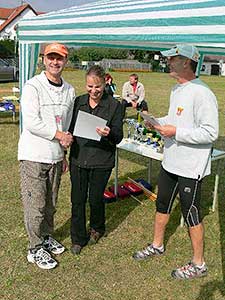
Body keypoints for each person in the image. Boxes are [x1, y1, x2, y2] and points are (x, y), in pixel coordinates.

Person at [132, 44, 219, 280]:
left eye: (173, 58)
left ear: (187, 62)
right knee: (162, 204)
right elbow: (173, 120)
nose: (168, 62)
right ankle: (157, 245)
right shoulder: (176, 89)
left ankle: (199, 264)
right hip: (170, 161)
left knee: (191, 213)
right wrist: (156, 122)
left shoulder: (203, 93)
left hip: (191, 166)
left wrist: (176, 132)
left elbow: (210, 133)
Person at [18, 43, 75, 270]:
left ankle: (46, 236)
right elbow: (32, 122)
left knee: (50, 203)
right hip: (33, 154)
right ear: (43, 59)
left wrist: (63, 154)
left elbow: (67, 122)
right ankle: (34, 248)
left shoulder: (69, 90)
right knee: (36, 204)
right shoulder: (33, 86)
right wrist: (60, 135)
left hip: (54, 155)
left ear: (65, 61)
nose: (55, 62)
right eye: (51, 57)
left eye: (59, 58)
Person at [69, 65, 123, 255]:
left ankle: (97, 228)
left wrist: (109, 133)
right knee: (77, 199)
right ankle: (77, 237)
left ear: (105, 83)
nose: (94, 91)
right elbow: (70, 127)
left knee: (94, 198)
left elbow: (119, 136)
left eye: (97, 87)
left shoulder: (114, 106)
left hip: (102, 159)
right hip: (79, 158)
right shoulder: (78, 102)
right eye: (90, 86)